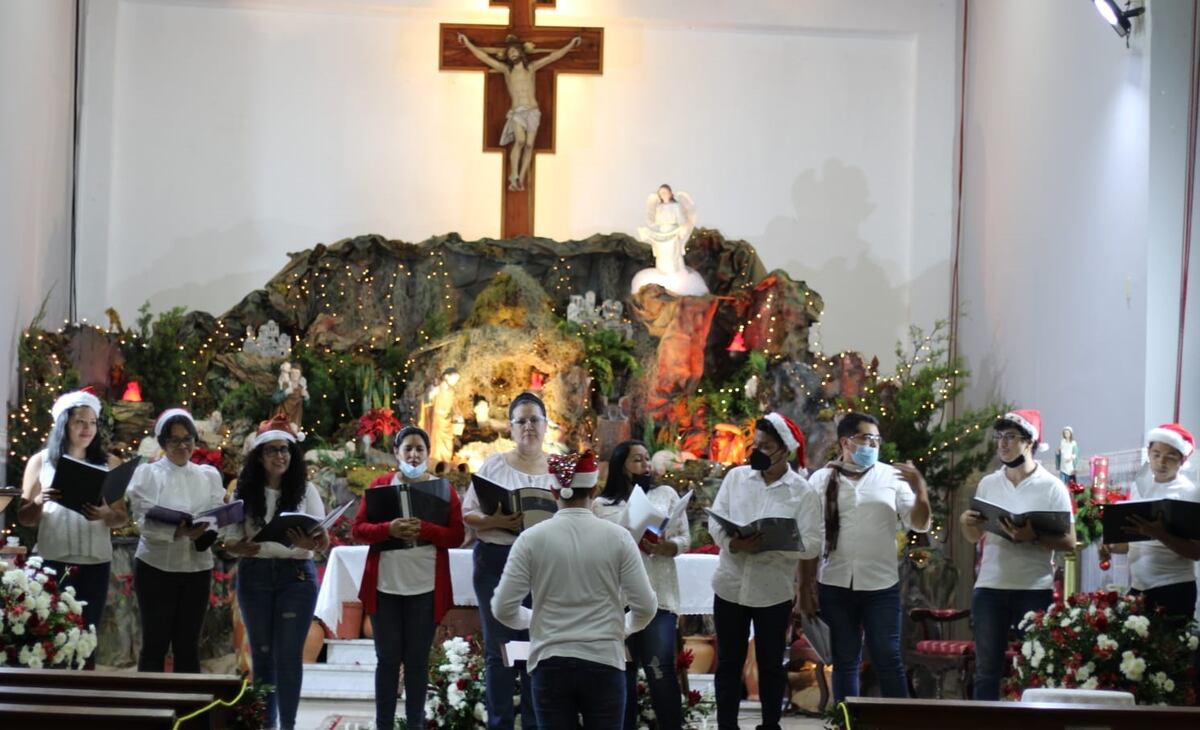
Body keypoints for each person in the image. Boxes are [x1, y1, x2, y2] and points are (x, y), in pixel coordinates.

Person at [492, 451, 658, 729]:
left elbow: (502, 608)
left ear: (553, 490)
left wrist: (537, 620)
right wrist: (621, 627)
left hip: (550, 659)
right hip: (604, 658)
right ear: (594, 488)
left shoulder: (531, 538)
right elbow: (646, 606)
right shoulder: (618, 537)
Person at [803, 412, 930, 703]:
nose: (873, 445)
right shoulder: (821, 479)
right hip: (834, 581)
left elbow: (919, 523)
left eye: (876, 440)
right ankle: (847, 722)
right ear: (846, 442)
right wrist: (804, 586)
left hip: (880, 584)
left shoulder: (891, 477)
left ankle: (896, 724)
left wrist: (920, 489)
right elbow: (810, 535)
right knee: (845, 659)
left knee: (888, 656)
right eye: (866, 439)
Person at [708, 413, 822, 730]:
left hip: (773, 591)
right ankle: (726, 725)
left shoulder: (802, 492)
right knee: (728, 662)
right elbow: (714, 522)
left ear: (785, 449)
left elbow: (813, 544)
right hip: (730, 585)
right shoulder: (736, 478)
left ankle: (771, 724)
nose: (758, 450)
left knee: (771, 664)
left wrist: (775, 543)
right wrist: (734, 544)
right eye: (756, 444)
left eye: (767, 446)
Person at [353, 425, 465, 730]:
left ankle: (415, 724)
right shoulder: (380, 486)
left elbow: (457, 535)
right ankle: (384, 725)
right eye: (408, 449)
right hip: (386, 586)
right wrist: (388, 530)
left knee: (416, 663)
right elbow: (358, 529)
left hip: (426, 587)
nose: (414, 455)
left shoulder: (444, 490)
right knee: (388, 660)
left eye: (420, 450)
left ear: (428, 455)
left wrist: (425, 529)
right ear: (396, 453)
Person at [959, 409, 1076, 701]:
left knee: (1034, 668)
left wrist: (1031, 535)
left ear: (1029, 443)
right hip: (989, 588)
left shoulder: (1052, 487)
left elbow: (1070, 542)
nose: (1002, 443)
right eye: (999, 437)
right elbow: (976, 537)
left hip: (1033, 589)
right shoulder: (989, 483)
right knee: (987, 669)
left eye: (1010, 437)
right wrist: (966, 525)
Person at [225, 415, 328, 730]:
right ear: (259, 456)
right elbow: (229, 540)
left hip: (295, 577)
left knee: (287, 655)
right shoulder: (244, 491)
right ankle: (265, 724)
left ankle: (288, 725)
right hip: (255, 575)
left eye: (285, 450)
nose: (280, 456)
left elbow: (323, 540)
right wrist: (237, 548)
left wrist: (311, 541)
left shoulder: (305, 490)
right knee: (263, 653)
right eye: (272, 450)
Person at [461, 391, 556, 730]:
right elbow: (469, 513)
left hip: (543, 566)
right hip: (497, 560)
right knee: (498, 648)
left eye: (535, 420)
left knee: (538, 645)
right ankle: (500, 723)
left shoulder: (558, 469)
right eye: (521, 421)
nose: (528, 426)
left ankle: (534, 723)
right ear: (511, 429)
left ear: (546, 426)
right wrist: (497, 522)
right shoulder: (495, 465)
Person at [18, 390, 127, 668]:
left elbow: (121, 517)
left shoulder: (110, 463)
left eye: (92, 422)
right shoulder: (40, 462)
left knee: (86, 637)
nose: (87, 428)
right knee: (49, 636)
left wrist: (104, 514)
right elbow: (25, 518)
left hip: (94, 564)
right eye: (80, 422)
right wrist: (40, 501)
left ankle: (83, 702)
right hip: (52, 561)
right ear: (64, 424)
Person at [593, 439, 688, 730]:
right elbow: (601, 547)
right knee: (622, 674)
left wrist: (667, 547)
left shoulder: (666, 494)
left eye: (647, 459)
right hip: (619, 601)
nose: (646, 465)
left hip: (658, 594)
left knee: (661, 672)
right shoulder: (601, 505)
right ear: (621, 466)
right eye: (637, 460)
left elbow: (684, 537)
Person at [126, 407, 228, 672]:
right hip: (156, 568)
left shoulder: (208, 475)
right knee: (155, 645)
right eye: (175, 440)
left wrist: (208, 528)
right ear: (163, 443)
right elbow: (143, 521)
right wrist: (178, 532)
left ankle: (188, 711)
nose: (183, 446)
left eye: (188, 439)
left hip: (196, 568)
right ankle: (149, 711)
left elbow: (217, 514)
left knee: (188, 646)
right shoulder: (148, 474)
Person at [1099, 424, 1200, 623]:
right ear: (1149, 454)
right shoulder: (1140, 487)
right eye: (1156, 454)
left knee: (1171, 653)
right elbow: (1134, 541)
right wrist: (1110, 547)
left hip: (1173, 588)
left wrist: (1160, 534)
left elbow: (1196, 552)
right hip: (1138, 588)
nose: (1161, 461)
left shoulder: (1190, 493)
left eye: (1170, 456)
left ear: (1182, 459)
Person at [456, 32, 582, 191]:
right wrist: (467, 43)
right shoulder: (506, 71)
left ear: (521, 52)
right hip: (517, 111)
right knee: (520, 141)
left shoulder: (531, 68)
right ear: (508, 56)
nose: (512, 53)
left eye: (515, 50)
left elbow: (552, 57)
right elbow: (485, 58)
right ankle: (513, 174)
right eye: (510, 52)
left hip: (533, 111)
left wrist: (570, 44)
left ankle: (520, 179)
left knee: (529, 145)